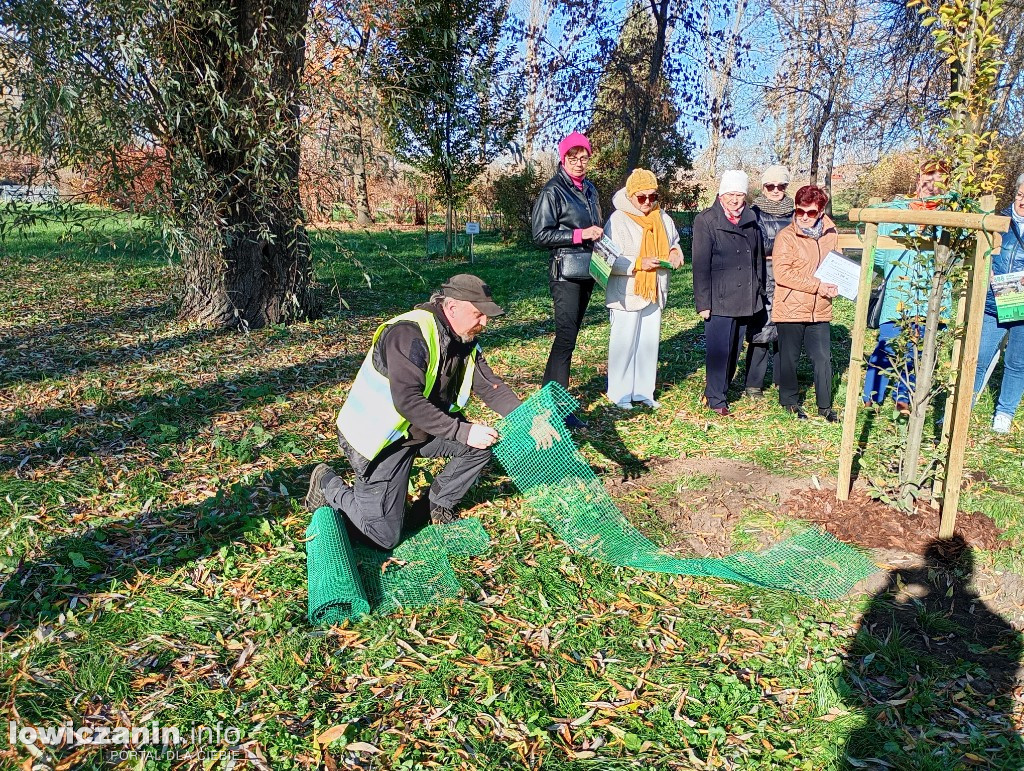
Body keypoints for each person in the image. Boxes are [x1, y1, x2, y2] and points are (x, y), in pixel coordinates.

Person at [305, 274, 561, 550]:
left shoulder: (463, 339)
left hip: (421, 430)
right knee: (382, 538)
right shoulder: (409, 334)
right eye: (478, 314)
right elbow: (408, 401)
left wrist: (527, 418)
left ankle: (435, 506)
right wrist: (462, 431)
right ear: (452, 309)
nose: (484, 323)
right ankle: (327, 484)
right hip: (382, 440)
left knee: (483, 443)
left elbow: (491, 388)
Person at [861, 159, 951, 415]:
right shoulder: (897, 211)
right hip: (898, 296)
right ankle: (872, 396)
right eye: (927, 176)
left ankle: (904, 399)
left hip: (931, 298)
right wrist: (895, 269)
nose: (931, 184)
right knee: (886, 345)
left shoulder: (950, 216)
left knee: (918, 352)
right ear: (918, 178)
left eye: (939, 178)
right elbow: (877, 252)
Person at [531, 132, 603, 429]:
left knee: (568, 338)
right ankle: (557, 407)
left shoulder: (590, 190)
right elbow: (540, 234)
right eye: (572, 158)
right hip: (565, 273)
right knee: (565, 339)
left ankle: (549, 399)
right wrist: (579, 235)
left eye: (584, 157)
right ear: (563, 159)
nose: (579, 163)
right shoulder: (553, 191)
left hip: (587, 269)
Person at [602, 168, 684, 410]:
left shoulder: (663, 218)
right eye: (641, 197)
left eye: (652, 196)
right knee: (624, 343)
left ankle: (644, 391)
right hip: (627, 293)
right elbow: (607, 259)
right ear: (630, 195)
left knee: (648, 342)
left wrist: (675, 253)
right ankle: (619, 393)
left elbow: (675, 242)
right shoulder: (617, 220)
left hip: (655, 289)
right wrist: (639, 263)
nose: (648, 202)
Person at [691, 169, 766, 416]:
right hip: (719, 296)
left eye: (740, 195)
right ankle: (716, 397)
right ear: (721, 195)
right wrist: (703, 302)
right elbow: (700, 265)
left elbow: (757, 259)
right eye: (730, 194)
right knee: (719, 350)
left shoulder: (751, 219)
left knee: (734, 349)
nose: (735, 200)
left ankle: (722, 387)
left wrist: (759, 290)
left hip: (745, 295)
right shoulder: (707, 220)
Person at [771, 185, 840, 421]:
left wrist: (839, 285)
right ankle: (789, 401)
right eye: (800, 211)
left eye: (810, 213)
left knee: (822, 358)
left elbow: (837, 265)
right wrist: (818, 285)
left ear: (821, 212)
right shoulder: (786, 237)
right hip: (791, 307)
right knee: (789, 357)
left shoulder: (832, 233)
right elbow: (782, 274)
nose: (804, 217)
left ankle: (825, 406)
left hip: (820, 307)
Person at [972, 172, 1024, 434]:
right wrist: (986, 269)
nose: (1022, 201)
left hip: (1023, 305)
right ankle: (966, 403)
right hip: (995, 300)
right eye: (1020, 194)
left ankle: (1004, 411)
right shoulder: (997, 220)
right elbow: (979, 251)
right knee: (979, 356)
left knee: (1017, 362)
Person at [746, 164, 794, 397]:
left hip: (790, 276)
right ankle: (753, 383)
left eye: (781, 186)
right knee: (762, 329)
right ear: (764, 187)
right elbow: (756, 245)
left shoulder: (796, 213)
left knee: (787, 329)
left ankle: (781, 379)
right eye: (770, 186)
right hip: (764, 276)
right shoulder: (754, 213)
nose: (776, 190)